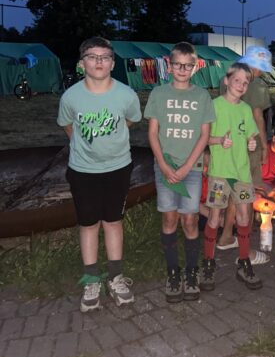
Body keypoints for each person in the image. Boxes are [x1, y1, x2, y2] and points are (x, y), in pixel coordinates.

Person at [57, 36, 142, 313]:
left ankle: (116, 277)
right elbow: (68, 126)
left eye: (105, 57)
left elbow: (130, 121)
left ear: (112, 63)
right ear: (82, 63)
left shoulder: (126, 94)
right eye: (92, 57)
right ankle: (91, 280)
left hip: (118, 168)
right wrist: (85, 148)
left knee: (113, 222)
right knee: (88, 224)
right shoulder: (71, 96)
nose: (99, 62)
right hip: (83, 170)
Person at [144, 42, 215, 303]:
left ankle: (191, 271)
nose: (182, 69)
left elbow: (204, 135)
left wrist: (187, 166)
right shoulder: (159, 93)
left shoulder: (202, 96)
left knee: (190, 220)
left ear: (195, 67)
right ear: (169, 65)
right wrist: (163, 165)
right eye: (178, 65)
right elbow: (153, 132)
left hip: (191, 168)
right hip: (165, 167)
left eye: (188, 65)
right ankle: (173, 272)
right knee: (169, 219)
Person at [201, 62, 263, 291]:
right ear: (226, 81)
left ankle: (244, 262)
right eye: (237, 80)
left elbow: (250, 136)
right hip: (219, 174)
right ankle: (208, 262)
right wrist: (219, 140)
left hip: (241, 175)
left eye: (245, 83)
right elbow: (203, 138)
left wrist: (252, 142)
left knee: (245, 217)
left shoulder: (245, 109)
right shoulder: (214, 106)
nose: (241, 85)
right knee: (214, 218)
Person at [216, 46, 273, 265]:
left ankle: (226, 236)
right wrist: (264, 146)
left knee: (233, 192)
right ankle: (245, 251)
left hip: (229, 143)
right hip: (249, 144)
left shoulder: (228, 77)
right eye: (261, 68)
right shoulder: (255, 84)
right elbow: (258, 117)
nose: (261, 72)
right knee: (246, 197)